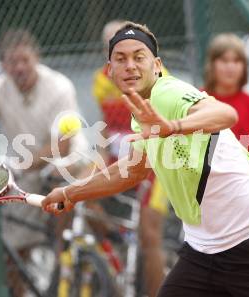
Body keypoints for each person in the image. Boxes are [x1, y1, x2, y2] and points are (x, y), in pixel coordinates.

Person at [42, 21, 249, 297]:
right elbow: (132, 172)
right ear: (110, 70)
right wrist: (71, 192)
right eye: (120, 59)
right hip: (205, 253)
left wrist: (173, 127)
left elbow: (226, 115)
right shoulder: (140, 114)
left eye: (139, 57)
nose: (130, 65)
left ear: (156, 66)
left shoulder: (168, 92)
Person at [0, 28, 87, 296]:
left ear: (37, 57)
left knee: (60, 177)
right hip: (24, 169)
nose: (20, 67)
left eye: (25, 60)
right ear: (4, 65)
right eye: (13, 62)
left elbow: (64, 144)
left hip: (65, 158)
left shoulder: (59, 86)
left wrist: (22, 164)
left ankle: (63, 258)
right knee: (13, 250)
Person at [92, 20, 169, 297]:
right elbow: (106, 127)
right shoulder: (101, 80)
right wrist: (98, 160)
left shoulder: (156, 74)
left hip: (156, 163)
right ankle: (118, 241)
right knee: (82, 197)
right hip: (120, 161)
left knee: (150, 237)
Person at [203, 33, 249, 161]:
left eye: (236, 61)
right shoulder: (198, 99)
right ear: (212, 64)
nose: (230, 67)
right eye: (224, 60)